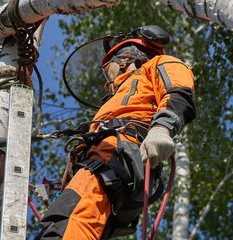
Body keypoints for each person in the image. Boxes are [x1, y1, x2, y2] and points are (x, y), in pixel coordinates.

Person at [37, 25, 196, 239]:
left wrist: (161, 128)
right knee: (61, 226)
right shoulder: (116, 97)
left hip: (118, 154)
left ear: (127, 59)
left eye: (108, 69)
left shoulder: (157, 65)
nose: (106, 82)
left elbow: (178, 94)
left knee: (71, 224)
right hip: (103, 162)